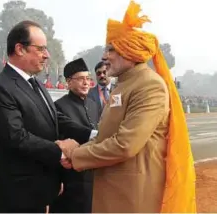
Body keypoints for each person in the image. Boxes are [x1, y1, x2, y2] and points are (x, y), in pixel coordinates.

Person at [56, 1, 196, 213]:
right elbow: (104, 136)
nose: (104, 56)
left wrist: (76, 155)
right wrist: (78, 151)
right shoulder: (124, 85)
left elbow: (125, 144)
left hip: (134, 196)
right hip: (115, 192)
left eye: (111, 49)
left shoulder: (150, 86)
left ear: (130, 51)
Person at [0, 20, 93, 213]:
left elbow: (55, 119)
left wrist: (92, 135)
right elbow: (15, 136)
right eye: (41, 49)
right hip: (18, 190)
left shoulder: (36, 84)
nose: (47, 55)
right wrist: (60, 150)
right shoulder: (1, 87)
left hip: (41, 184)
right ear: (20, 49)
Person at [51, 58, 100, 213]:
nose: (86, 83)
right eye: (80, 79)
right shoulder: (59, 106)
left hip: (92, 174)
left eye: (88, 79)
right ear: (69, 82)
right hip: (70, 177)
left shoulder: (94, 104)